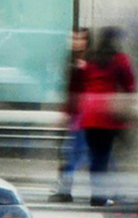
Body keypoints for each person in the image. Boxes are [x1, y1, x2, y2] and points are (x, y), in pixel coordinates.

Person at [80, 27, 136, 207]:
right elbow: (129, 86)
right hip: (107, 113)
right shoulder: (120, 59)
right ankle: (99, 197)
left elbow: (81, 83)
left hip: (89, 112)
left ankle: (97, 194)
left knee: (95, 156)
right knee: (103, 156)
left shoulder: (89, 59)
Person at [48, 28, 91, 203]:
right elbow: (69, 89)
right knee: (93, 153)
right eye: (73, 38)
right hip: (77, 114)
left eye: (80, 39)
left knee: (72, 152)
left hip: (84, 114)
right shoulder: (71, 60)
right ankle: (111, 191)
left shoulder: (88, 61)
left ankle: (65, 191)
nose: (76, 42)